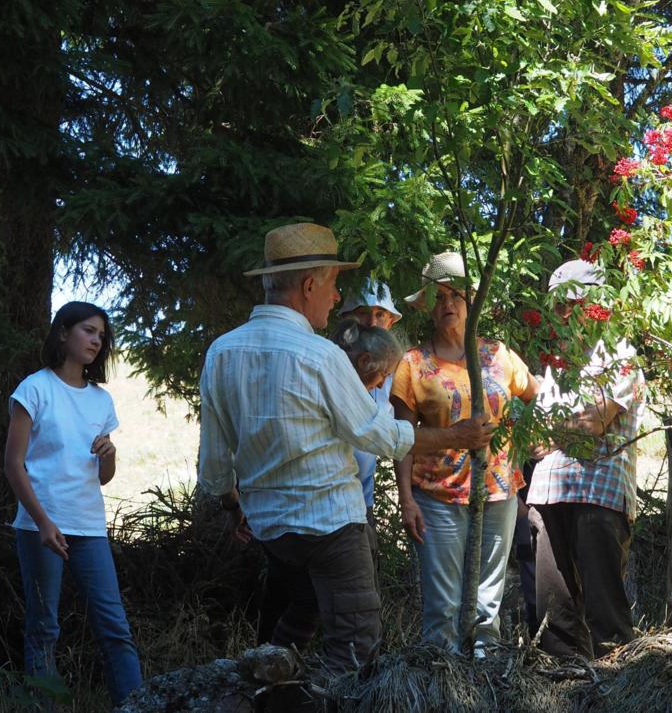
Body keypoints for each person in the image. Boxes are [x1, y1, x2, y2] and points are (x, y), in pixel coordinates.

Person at [198, 223, 494, 676]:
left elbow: (215, 463)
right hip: (331, 526)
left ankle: (266, 692)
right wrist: (456, 436)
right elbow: (380, 436)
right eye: (334, 286)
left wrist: (230, 504)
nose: (337, 300)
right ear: (309, 285)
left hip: (272, 529)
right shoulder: (318, 356)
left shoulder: (222, 352)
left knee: (298, 619)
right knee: (356, 647)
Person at [392, 251, 539, 653]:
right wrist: (406, 499)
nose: (447, 305)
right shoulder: (413, 364)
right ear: (428, 306)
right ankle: (443, 682)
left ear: (472, 302)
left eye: (456, 295)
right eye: (438, 298)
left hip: (497, 493)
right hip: (437, 497)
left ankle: (486, 680)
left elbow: (534, 396)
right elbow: (400, 438)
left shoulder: (497, 354)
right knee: (443, 607)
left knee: (488, 604)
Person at [4, 301, 142, 707]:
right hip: (40, 528)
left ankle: (135, 706)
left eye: (102, 334)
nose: (97, 340)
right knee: (44, 629)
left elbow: (102, 477)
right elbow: (13, 466)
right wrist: (43, 522)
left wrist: (109, 455)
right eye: (88, 330)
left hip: (89, 528)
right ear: (63, 333)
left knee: (115, 628)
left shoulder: (101, 401)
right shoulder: (35, 388)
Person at [255, 317, 408, 653]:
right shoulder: (331, 378)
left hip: (336, 511)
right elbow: (379, 437)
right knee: (352, 627)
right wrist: (446, 437)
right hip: (328, 516)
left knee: (309, 601)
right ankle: (311, 679)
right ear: (364, 361)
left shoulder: (347, 377)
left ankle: (276, 669)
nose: (380, 384)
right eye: (380, 377)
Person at [526, 259, 645, 658]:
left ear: (595, 305)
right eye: (558, 306)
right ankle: (561, 687)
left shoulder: (621, 356)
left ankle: (617, 689)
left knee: (606, 616)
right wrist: (563, 430)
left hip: (600, 497)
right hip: (546, 495)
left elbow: (594, 421)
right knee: (552, 621)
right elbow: (532, 442)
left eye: (571, 304)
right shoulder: (555, 367)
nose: (563, 314)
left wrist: (553, 433)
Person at [337, 282, 403, 511]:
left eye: (380, 314)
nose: (371, 322)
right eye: (363, 313)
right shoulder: (329, 366)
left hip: (363, 501)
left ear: (391, 321)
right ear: (347, 318)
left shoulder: (397, 374)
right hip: (330, 505)